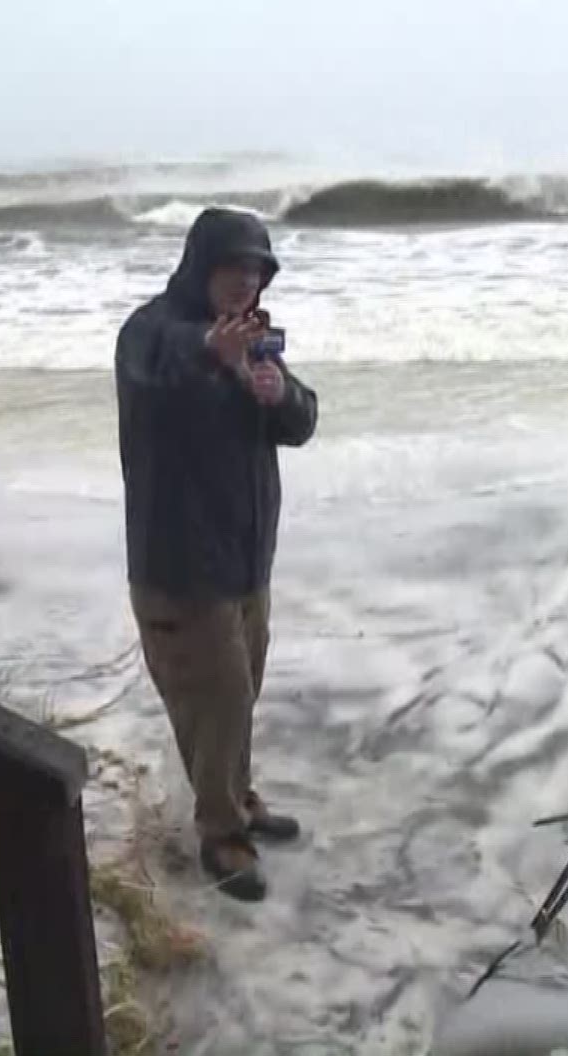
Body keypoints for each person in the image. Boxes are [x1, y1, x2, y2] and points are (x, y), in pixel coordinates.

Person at [115, 207, 319, 902]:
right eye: (233, 270)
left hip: (244, 560)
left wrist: (275, 391)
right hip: (180, 567)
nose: (245, 284)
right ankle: (219, 831)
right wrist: (215, 357)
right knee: (218, 695)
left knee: (242, 689)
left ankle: (238, 796)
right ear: (201, 267)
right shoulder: (152, 335)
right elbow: (163, 370)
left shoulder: (253, 343)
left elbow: (303, 419)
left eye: (256, 272)